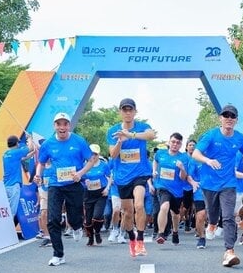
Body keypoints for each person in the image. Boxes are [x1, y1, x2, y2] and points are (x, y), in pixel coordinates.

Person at [191, 104, 243, 267]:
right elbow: (195, 153)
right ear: (220, 118)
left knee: (228, 216)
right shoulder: (211, 136)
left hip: (228, 183)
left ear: (236, 120)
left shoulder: (239, 138)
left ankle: (229, 251)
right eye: (226, 115)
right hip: (209, 184)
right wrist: (208, 160)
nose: (229, 119)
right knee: (213, 215)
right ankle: (212, 224)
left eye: (232, 116)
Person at [35, 112, 97, 266]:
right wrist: (38, 175)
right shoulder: (48, 144)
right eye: (58, 124)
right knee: (53, 219)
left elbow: (91, 160)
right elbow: (41, 163)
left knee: (75, 216)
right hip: (55, 185)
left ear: (69, 125)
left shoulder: (79, 141)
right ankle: (58, 255)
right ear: (54, 126)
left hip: (74, 184)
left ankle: (77, 227)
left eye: (65, 124)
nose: (62, 127)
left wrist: (80, 173)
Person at [107, 98, 157, 258]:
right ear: (120, 112)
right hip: (122, 178)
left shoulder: (142, 127)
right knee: (127, 213)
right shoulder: (113, 131)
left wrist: (131, 135)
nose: (127, 112)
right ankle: (132, 239)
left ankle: (141, 241)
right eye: (124, 110)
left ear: (135, 112)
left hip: (140, 174)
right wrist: (121, 141)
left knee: (139, 204)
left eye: (130, 110)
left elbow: (151, 135)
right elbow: (113, 154)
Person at [153, 132, 189, 246]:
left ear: (181, 145)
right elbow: (155, 160)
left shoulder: (183, 157)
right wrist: (154, 170)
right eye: (173, 142)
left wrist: (182, 168)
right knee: (164, 206)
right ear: (169, 142)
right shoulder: (160, 153)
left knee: (175, 214)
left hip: (177, 191)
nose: (175, 144)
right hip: (162, 187)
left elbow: (183, 178)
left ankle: (175, 231)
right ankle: (161, 233)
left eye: (178, 143)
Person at [81, 144, 111, 246]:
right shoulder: (84, 165)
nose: (93, 156)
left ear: (98, 154)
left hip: (101, 193)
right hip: (88, 194)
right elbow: (79, 177)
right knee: (88, 220)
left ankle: (97, 232)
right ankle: (90, 237)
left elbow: (110, 177)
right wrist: (85, 180)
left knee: (97, 216)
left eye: (95, 154)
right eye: (91, 153)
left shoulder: (104, 165)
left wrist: (107, 188)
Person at [3, 135, 34, 217]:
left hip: (6, 184)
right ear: (17, 143)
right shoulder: (16, 152)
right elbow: (30, 147)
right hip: (14, 185)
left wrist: (34, 153)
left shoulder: (6, 154)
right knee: (12, 212)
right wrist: (30, 138)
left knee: (8, 210)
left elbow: (23, 158)